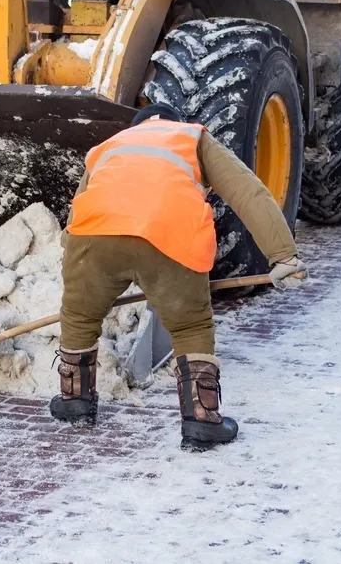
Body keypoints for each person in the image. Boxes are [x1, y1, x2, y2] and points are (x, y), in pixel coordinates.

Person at [51, 103, 307, 451]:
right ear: (176, 122)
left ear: (136, 126)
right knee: (190, 327)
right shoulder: (192, 137)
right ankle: (202, 420)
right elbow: (247, 191)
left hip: (93, 235)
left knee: (79, 315)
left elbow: (79, 204)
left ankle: (74, 401)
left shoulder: (111, 145)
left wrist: (75, 258)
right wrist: (283, 256)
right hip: (169, 234)